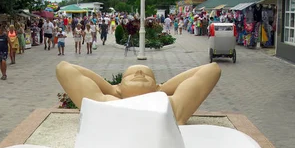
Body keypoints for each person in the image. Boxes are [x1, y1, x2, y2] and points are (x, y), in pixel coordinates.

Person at [55, 61, 221, 125]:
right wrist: (113, 90)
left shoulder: (173, 108)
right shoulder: (103, 103)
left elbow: (211, 69)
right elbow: (64, 68)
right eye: (132, 75)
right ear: (119, 87)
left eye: (147, 75)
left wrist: (161, 89)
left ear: (157, 87)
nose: (140, 74)